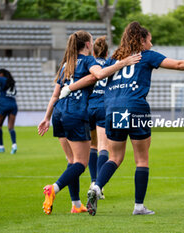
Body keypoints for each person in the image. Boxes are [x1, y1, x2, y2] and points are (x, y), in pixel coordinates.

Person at [60, 22, 184, 216]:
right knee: (141, 160)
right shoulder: (145, 56)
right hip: (136, 108)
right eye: (149, 40)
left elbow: (95, 78)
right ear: (141, 40)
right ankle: (138, 207)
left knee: (115, 157)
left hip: (112, 109)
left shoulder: (113, 60)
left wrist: (69, 88)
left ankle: (96, 187)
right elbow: (179, 65)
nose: (151, 45)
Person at [37, 30, 141, 215]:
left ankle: (76, 205)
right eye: (91, 41)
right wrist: (123, 63)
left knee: (71, 161)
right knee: (81, 164)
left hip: (59, 113)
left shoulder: (66, 65)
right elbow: (98, 75)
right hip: (75, 113)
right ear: (86, 45)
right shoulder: (88, 60)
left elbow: (55, 95)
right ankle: (54, 188)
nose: (92, 44)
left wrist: (46, 118)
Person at [87, 36, 110, 200]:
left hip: (88, 107)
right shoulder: (110, 65)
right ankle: (98, 187)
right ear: (107, 52)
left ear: (93, 52)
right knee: (104, 146)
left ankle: (93, 180)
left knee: (92, 145)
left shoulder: (90, 64)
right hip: (104, 106)